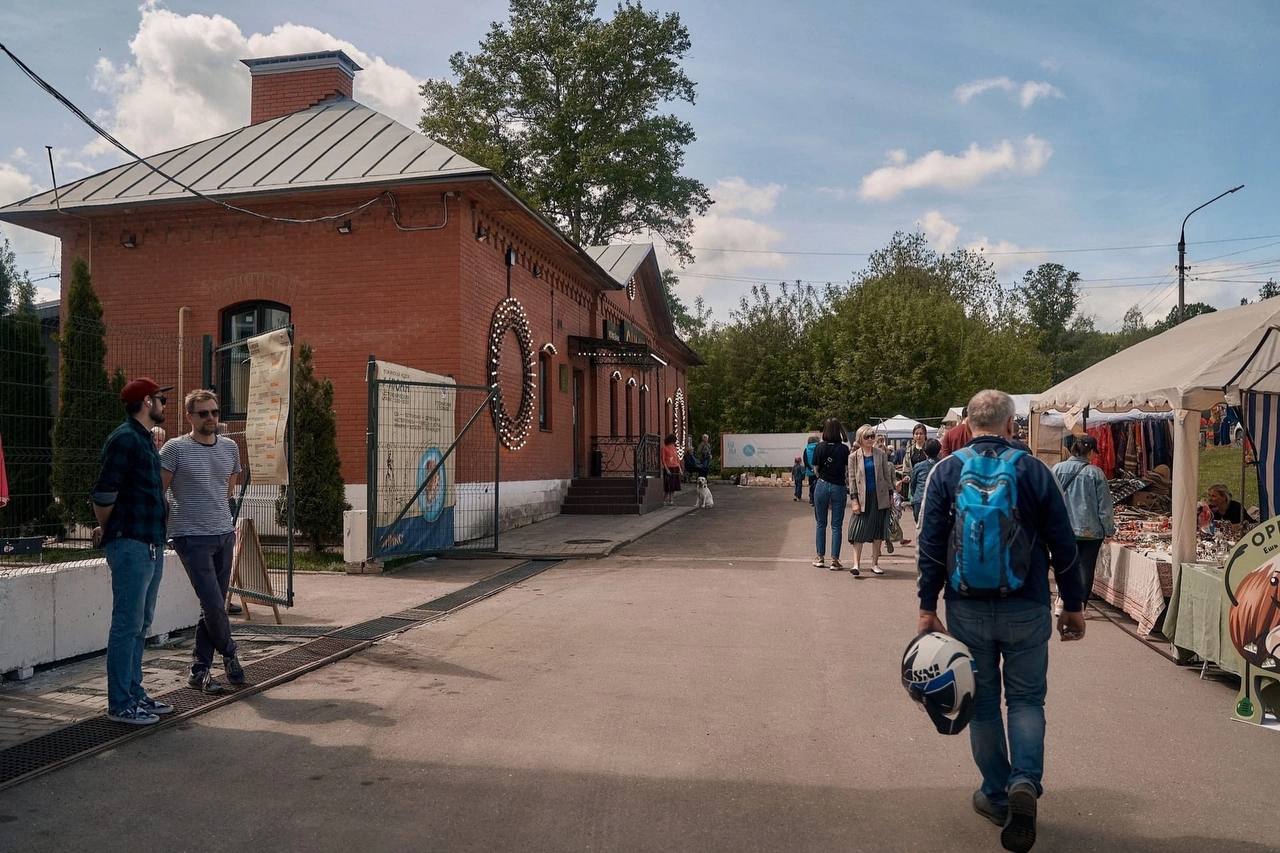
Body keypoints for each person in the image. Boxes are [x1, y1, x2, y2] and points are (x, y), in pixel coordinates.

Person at [916, 390, 1084, 853]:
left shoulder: (946, 471)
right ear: (1012, 425)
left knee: (984, 705)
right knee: (1027, 700)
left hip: (966, 607)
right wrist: (1073, 604)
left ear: (968, 424)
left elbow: (930, 545)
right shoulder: (1034, 470)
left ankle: (995, 794)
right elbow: (1063, 542)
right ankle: (1024, 783)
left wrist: (927, 607)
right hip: (1026, 604)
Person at [91, 377, 175, 726]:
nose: (164, 404)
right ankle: (120, 703)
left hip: (150, 543)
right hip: (131, 543)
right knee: (127, 624)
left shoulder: (144, 439)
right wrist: (109, 527)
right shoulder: (125, 438)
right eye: (161, 399)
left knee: (141, 624)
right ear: (147, 401)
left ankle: (135, 693)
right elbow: (103, 493)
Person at [160, 390, 245, 694]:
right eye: (203, 413)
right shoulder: (175, 448)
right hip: (190, 537)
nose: (211, 418)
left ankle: (199, 671)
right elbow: (159, 491)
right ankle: (230, 653)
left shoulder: (230, 447)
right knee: (212, 604)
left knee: (214, 606)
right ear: (189, 417)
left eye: (215, 412)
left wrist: (221, 519)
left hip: (223, 534)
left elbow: (228, 488)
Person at [1052, 434, 1115, 603]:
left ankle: (1062, 600)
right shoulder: (1096, 473)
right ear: (1091, 452)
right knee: (1086, 569)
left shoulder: (1057, 469)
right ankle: (1080, 605)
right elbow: (1105, 507)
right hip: (1090, 532)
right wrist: (1109, 530)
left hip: (1063, 529)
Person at [847, 424, 896, 576]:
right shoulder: (853, 457)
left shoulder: (881, 454)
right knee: (858, 530)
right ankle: (856, 564)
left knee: (878, 530)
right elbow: (852, 479)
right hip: (862, 498)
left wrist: (891, 495)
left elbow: (887, 476)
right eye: (866, 436)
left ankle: (875, 563)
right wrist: (854, 500)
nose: (870, 439)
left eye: (872, 436)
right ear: (860, 439)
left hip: (879, 497)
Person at [810, 418, 850, 570]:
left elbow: (815, 469)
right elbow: (846, 470)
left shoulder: (819, 447)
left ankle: (820, 557)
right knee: (836, 525)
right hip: (839, 486)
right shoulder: (844, 449)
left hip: (822, 485)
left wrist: (822, 476)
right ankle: (835, 560)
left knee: (821, 523)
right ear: (839, 430)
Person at [908, 438, 942, 522]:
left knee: (920, 526)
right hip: (937, 501)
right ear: (939, 451)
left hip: (919, 500)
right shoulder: (943, 465)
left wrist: (914, 495)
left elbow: (913, 484)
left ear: (924, 452)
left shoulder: (918, 466)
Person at [661, 433, 682, 506]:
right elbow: (663, 460)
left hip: (675, 468)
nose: (674, 442)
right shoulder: (664, 448)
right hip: (668, 468)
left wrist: (680, 469)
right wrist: (666, 469)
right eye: (673, 441)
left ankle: (671, 500)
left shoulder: (674, 448)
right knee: (667, 485)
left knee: (674, 485)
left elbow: (677, 459)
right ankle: (664, 500)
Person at [803, 434, 819, 505]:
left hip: (810, 471)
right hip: (818, 471)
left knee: (811, 485)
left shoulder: (806, 450)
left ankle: (811, 499)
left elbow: (805, 461)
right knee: (818, 486)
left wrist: (811, 469)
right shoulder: (819, 448)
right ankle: (816, 500)